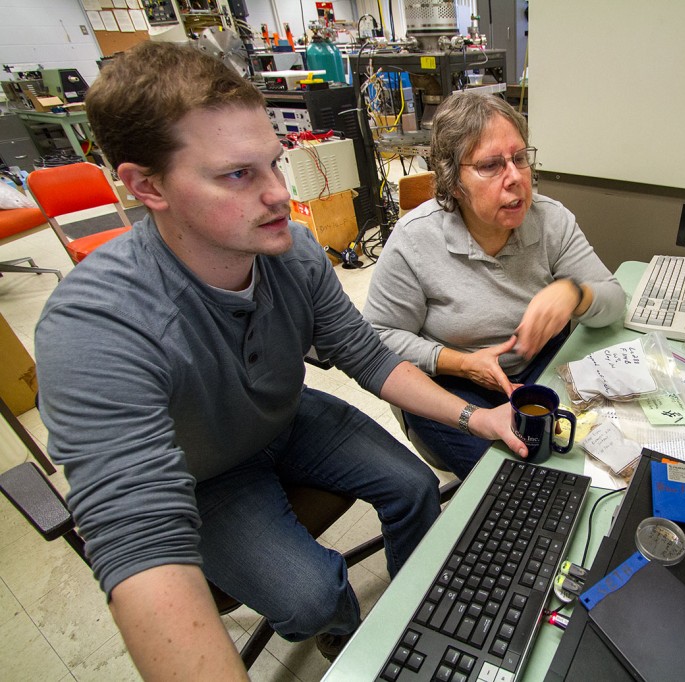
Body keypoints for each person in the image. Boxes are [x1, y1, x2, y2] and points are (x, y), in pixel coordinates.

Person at [33, 42, 528, 680]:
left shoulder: (291, 252)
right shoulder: (96, 325)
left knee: (413, 489)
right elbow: (140, 540)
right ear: (145, 186)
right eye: (237, 174)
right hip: (203, 475)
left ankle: (405, 627)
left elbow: (367, 354)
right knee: (314, 595)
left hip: (287, 417)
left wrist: (474, 418)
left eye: (274, 162)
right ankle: (349, 641)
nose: (278, 195)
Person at [363, 94, 626, 479]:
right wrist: (462, 363)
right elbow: (378, 337)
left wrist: (576, 294)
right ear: (453, 183)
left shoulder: (550, 221)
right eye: (490, 165)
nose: (516, 177)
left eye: (520, 158)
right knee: (516, 477)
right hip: (449, 387)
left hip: (534, 368)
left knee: (588, 445)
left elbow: (616, 300)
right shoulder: (414, 240)